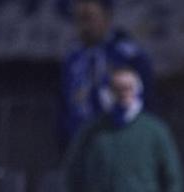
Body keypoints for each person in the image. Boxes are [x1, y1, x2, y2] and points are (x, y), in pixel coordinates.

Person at [63, 66, 184, 192]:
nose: (124, 94)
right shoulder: (91, 132)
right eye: (117, 89)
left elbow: (173, 177)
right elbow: (72, 176)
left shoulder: (154, 130)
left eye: (128, 88)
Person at [59, 0, 154, 145]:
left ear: (106, 17)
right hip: (81, 145)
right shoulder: (72, 60)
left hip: (120, 143)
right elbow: (65, 106)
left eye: (89, 18)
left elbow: (146, 104)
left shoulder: (128, 56)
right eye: (78, 19)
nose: (84, 27)